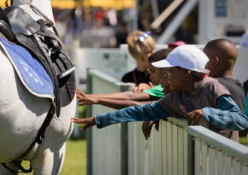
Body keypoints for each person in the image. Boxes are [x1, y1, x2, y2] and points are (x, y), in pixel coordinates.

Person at [72, 45, 248, 135]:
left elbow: (241, 120)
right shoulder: (175, 97)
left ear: (186, 72)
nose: (166, 76)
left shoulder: (211, 87)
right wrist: (98, 119)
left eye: (170, 71)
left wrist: (207, 113)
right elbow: (138, 110)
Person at [76, 49, 171, 110]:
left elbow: (131, 98)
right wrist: (95, 97)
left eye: (153, 72)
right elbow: (130, 96)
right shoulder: (161, 88)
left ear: (167, 70)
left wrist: (98, 99)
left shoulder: (163, 89)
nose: (150, 77)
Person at [203, 38, 246, 140]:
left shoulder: (219, 85)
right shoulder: (237, 84)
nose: (202, 64)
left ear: (214, 62)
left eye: (204, 60)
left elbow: (241, 126)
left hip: (219, 148)